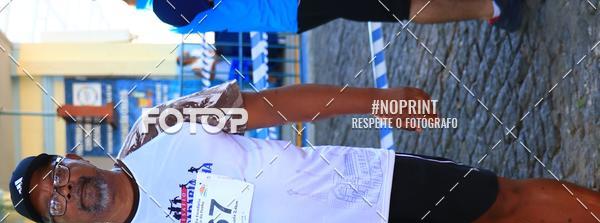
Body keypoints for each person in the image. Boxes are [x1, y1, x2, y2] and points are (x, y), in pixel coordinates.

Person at [10, 81, 600, 223]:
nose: (65, 190)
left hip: (372, 185)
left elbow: (275, 106)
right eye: (52, 204)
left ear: (72, 156)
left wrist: (376, 102)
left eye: (56, 174)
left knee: (507, 200)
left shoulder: (157, 126)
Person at [124, 0, 524, 35]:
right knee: (396, 6)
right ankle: (493, 8)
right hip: (291, 7)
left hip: (289, 12)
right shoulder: (165, 7)